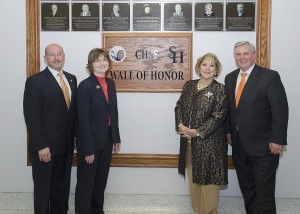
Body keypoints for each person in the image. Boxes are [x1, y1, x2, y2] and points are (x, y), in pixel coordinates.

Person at [224, 41, 289, 213]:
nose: (242, 57)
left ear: (254, 55)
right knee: (248, 191)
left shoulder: (270, 76)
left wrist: (277, 139)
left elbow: (280, 110)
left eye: (246, 53)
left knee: (264, 193)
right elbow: (231, 109)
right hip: (239, 146)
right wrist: (229, 131)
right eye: (238, 54)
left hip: (265, 146)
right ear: (235, 57)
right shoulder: (230, 78)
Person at [23, 43, 77, 214]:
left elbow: (72, 114)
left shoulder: (71, 79)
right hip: (45, 147)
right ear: (45, 58)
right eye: (52, 55)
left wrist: (75, 138)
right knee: (43, 189)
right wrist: (41, 145)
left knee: (61, 188)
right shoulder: (35, 81)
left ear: (64, 56)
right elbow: (32, 117)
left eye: (59, 54)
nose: (56, 58)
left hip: (66, 145)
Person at [175, 53, 228, 214]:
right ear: (199, 67)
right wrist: (180, 125)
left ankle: (209, 211)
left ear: (216, 69)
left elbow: (219, 116)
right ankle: (196, 210)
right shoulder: (189, 85)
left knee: (209, 181)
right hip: (189, 144)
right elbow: (179, 106)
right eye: (205, 65)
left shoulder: (220, 89)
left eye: (212, 65)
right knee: (194, 180)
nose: (208, 68)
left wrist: (196, 132)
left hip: (211, 145)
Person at [75, 48, 121, 214]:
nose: (102, 63)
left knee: (100, 181)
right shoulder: (85, 86)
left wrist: (116, 138)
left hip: (107, 139)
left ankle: (97, 210)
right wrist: (88, 149)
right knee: (86, 183)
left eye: (104, 59)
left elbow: (114, 112)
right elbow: (83, 120)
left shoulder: (110, 83)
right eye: (97, 60)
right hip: (90, 142)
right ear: (91, 64)